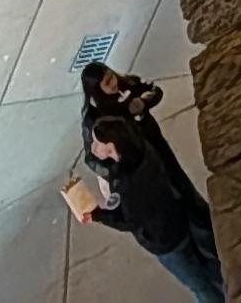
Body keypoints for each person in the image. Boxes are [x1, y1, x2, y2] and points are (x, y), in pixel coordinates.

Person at [77, 66, 224, 302]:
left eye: (111, 77)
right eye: (107, 82)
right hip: (169, 204)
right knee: (206, 259)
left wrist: (98, 215)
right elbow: (93, 159)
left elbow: (130, 218)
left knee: (199, 283)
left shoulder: (129, 181)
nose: (94, 146)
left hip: (166, 237)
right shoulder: (140, 154)